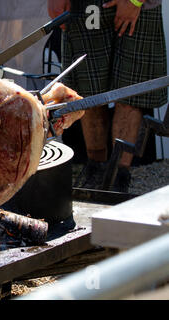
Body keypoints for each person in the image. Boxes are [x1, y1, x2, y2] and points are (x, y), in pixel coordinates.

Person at [47, 0, 167, 192]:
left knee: (131, 92)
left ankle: (118, 178)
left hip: (140, 5)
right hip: (86, 5)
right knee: (89, 90)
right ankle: (96, 170)